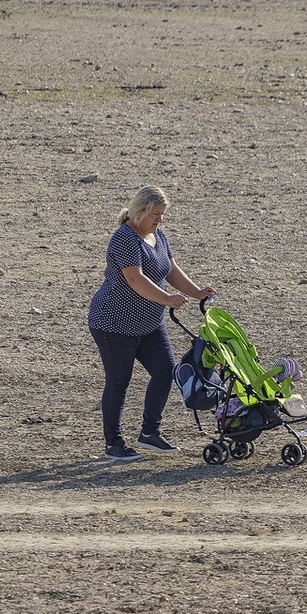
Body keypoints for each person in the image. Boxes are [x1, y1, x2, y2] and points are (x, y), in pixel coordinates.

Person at [88, 186, 216, 461]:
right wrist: (167, 298)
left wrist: (196, 292)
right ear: (140, 211)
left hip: (148, 323)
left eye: (162, 215)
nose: (160, 220)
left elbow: (170, 269)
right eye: (156, 214)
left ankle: (149, 433)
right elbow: (135, 279)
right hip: (113, 323)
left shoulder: (157, 234)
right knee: (119, 380)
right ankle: (114, 443)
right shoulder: (124, 238)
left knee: (165, 371)